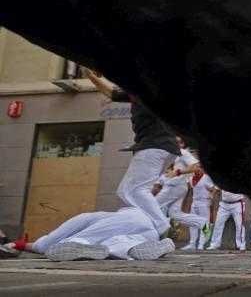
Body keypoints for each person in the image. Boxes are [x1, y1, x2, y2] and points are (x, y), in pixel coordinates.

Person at [87, 70, 178, 236]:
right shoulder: (139, 93)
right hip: (161, 146)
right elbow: (112, 93)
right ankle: (151, 227)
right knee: (128, 190)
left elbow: (115, 90)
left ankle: (163, 227)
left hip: (154, 145)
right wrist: (93, 78)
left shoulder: (149, 92)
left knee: (134, 190)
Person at [1, 207, 174, 261]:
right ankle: (133, 249)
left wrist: (16, 244)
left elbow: (41, 246)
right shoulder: (105, 217)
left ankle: (81, 244)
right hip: (146, 231)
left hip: (134, 218)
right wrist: (16, 244)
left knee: (54, 245)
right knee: (115, 243)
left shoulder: (87, 219)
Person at [207, 186, 247, 251]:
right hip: (224, 205)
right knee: (218, 224)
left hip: (237, 204)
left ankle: (241, 245)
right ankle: (214, 244)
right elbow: (216, 189)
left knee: (239, 225)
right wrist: (212, 195)